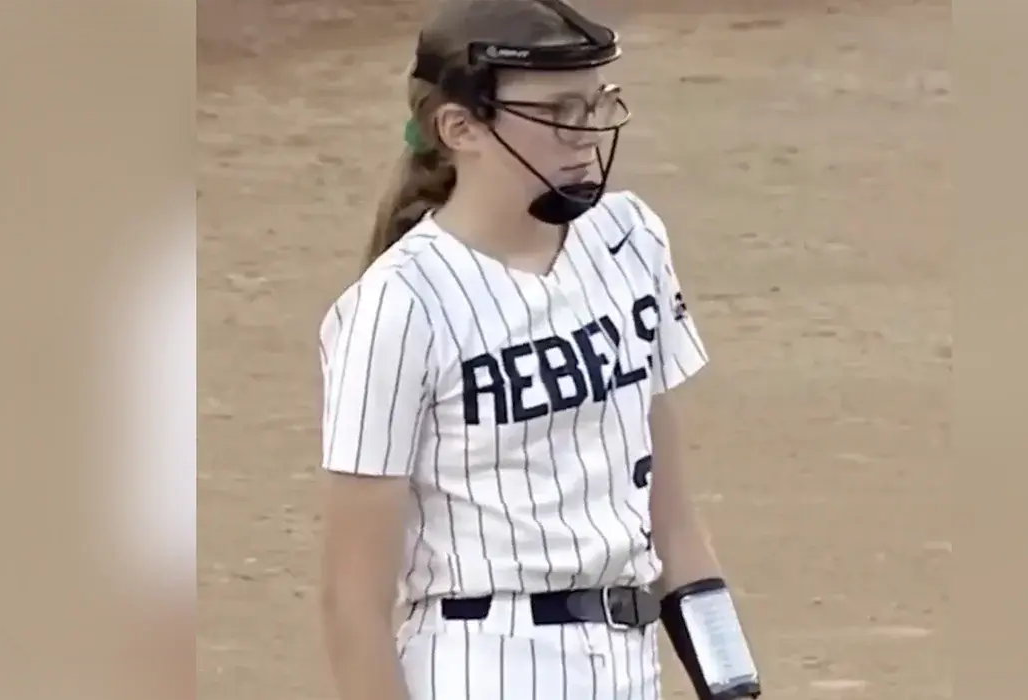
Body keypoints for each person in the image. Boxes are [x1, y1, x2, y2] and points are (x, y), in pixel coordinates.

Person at [316, 1, 762, 698]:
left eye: (594, 106)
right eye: (558, 111)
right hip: (483, 663)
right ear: (460, 128)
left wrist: (731, 683)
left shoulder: (629, 239)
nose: (585, 135)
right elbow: (353, 599)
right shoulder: (398, 305)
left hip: (626, 663)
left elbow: (669, 514)